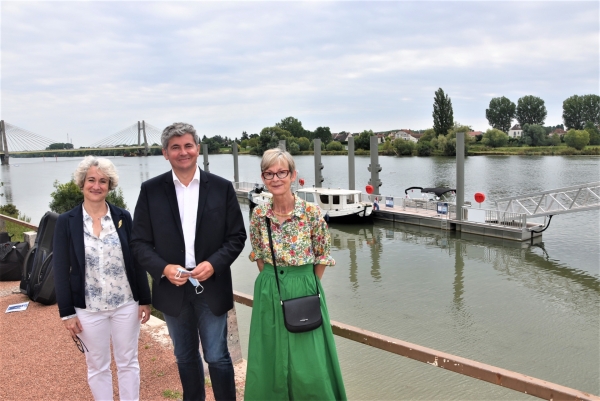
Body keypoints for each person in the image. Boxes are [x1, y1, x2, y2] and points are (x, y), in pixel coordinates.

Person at [130, 122, 246, 401]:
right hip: (172, 288)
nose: (183, 152)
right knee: (184, 356)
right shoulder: (151, 190)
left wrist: (215, 263)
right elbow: (139, 242)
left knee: (217, 356)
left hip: (212, 285)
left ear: (197, 149)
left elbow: (236, 236)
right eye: (175, 147)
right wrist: (163, 268)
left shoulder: (221, 188)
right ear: (165, 153)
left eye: (188, 146)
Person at [244, 148, 347, 400]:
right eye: (269, 173)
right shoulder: (259, 214)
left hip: (305, 287)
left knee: (309, 360)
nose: (276, 178)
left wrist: (304, 283)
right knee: (269, 353)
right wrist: (274, 279)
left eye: (282, 172)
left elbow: (322, 255)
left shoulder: (311, 213)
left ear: (293, 175)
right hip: (269, 286)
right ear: (263, 177)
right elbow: (258, 254)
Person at [53, 156, 152, 401]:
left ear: (110, 186)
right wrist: (67, 313)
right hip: (88, 309)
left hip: (125, 305)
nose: (97, 186)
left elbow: (136, 260)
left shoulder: (123, 217)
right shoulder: (66, 222)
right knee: (97, 366)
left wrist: (144, 299)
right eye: (92, 180)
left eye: (103, 181)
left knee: (128, 361)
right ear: (82, 183)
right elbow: (60, 268)